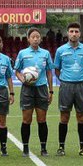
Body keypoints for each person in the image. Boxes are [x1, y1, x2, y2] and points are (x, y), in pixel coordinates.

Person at [53, 22, 83, 156]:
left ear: (80, 33)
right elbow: (57, 70)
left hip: (81, 86)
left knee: (81, 117)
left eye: (76, 31)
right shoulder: (60, 50)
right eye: (71, 31)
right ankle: (61, 147)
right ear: (67, 33)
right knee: (64, 116)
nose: (74, 34)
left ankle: (82, 148)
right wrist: (65, 80)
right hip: (66, 85)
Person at [14, 27, 54, 157]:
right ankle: (25, 148)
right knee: (27, 119)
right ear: (28, 39)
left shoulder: (45, 54)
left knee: (42, 119)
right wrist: (23, 80)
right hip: (27, 89)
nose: (35, 39)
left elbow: (49, 72)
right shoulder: (22, 53)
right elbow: (17, 70)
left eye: (38, 37)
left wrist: (51, 90)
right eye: (33, 37)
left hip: (42, 88)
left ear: (40, 39)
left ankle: (43, 148)